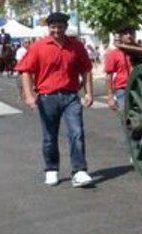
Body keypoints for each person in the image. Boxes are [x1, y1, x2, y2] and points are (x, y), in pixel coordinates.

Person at [15, 12, 95, 187]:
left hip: (71, 96)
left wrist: (89, 93)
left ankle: (79, 171)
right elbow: (25, 71)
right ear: (48, 27)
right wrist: (28, 96)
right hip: (47, 97)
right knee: (50, 136)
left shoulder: (76, 46)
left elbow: (86, 69)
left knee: (77, 133)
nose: (56, 30)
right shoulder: (38, 46)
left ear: (66, 27)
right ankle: (51, 169)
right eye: (53, 27)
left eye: (60, 27)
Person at [104, 25, 135, 112]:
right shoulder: (114, 54)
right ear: (120, 36)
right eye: (125, 33)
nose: (129, 36)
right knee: (125, 115)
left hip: (138, 88)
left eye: (131, 33)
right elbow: (109, 76)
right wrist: (110, 96)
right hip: (122, 89)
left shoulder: (140, 52)